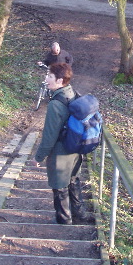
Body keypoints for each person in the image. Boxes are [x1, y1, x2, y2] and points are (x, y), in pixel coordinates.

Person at [34, 62, 86, 225]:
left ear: (60, 80)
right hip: (75, 148)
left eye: (50, 76)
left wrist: (39, 156)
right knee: (72, 179)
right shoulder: (72, 93)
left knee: (59, 184)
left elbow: (50, 135)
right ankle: (79, 214)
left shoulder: (55, 104)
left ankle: (64, 220)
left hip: (60, 151)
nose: (46, 79)